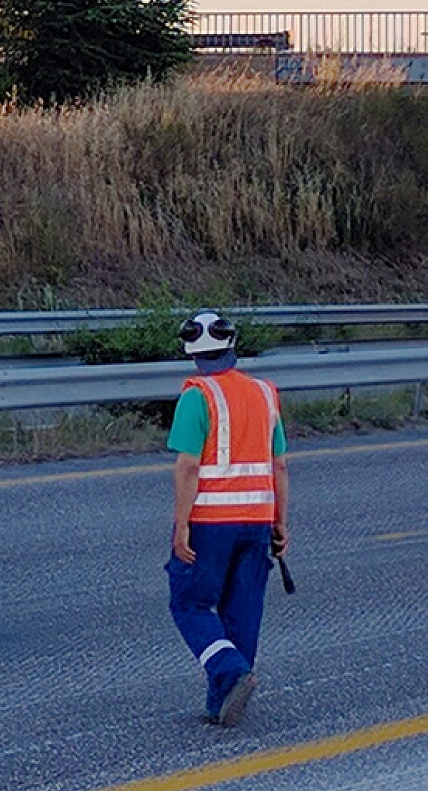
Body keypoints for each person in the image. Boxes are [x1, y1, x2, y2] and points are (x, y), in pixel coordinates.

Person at [164, 309, 290, 726]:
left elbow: (188, 466)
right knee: (243, 608)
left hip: (210, 523)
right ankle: (222, 701)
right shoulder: (265, 394)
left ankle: (230, 672)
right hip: (256, 520)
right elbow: (280, 466)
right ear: (232, 345)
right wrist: (279, 522)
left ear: (190, 352)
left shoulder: (196, 396)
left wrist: (181, 524)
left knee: (190, 604)